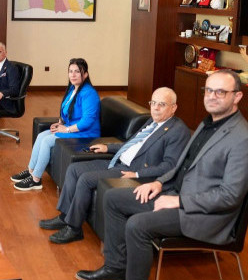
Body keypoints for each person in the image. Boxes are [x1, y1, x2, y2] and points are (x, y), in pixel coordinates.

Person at [76, 70, 248, 280]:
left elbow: (229, 196)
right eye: (209, 90)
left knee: (138, 225)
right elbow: (181, 167)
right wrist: (158, 183)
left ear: (237, 96)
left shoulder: (245, 140)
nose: (212, 96)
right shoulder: (208, 124)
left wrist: (178, 200)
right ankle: (116, 268)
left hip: (205, 215)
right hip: (178, 193)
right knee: (113, 198)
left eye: (221, 92)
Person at [39, 87, 190, 244]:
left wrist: (137, 174)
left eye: (162, 104)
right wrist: (108, 147)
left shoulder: (178, 131)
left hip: (133, 171)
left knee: (85, 179)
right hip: (118, 161)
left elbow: (170, 166)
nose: (156, 108)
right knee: (74, 169)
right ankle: (64, 216)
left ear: (174, 107)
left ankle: (74, 229)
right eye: (153, 103)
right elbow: (131, 144)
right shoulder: (152, 121)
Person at [12, 58, 100, 191]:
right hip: (72, 128)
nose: (73, 75)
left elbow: (87, 121)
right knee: (41, 136)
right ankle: (31, 170)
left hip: (86, 133)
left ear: (85, 74)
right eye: (70, 71)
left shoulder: (89, 93)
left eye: (77, 71)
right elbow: (67, 110)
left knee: (47, 141)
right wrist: (60, 123)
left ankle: (36, 179)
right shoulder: (73, 89)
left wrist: (67, 129)